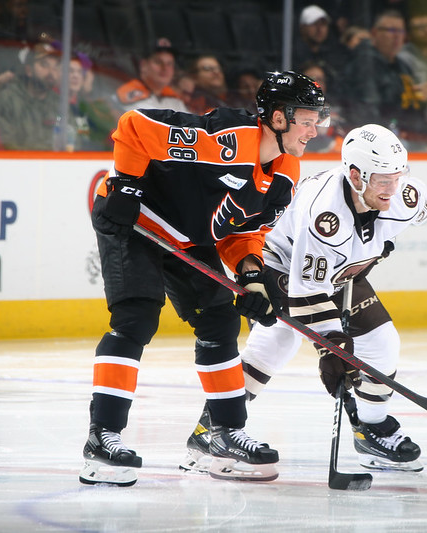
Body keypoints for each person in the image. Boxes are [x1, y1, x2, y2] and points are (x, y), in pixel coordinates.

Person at [79, 71, 329, 486]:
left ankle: (224, 433)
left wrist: (251, 275)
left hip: (188, 237)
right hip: (136, 220)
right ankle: (102, 438)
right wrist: (124, 184)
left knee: (220, 320)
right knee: (136, 318)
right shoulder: (227, 139)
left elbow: (243, 231)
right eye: (307, 119)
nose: (314, 130)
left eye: (317, 119)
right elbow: (135, 126)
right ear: (279, 118)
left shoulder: (286, 171)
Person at [181, 123, 427, 473]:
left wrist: (377, 245)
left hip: (338, 270)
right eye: (383, 180)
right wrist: (331, 346)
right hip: (280, 262)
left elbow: (407, 214)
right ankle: (211, 431)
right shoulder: (325, 216)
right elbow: (306, 291)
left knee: (382, 339)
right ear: (356, 176)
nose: (393, 188)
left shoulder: (403, 195)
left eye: (397, 176)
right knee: (278, 337)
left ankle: (371, 429)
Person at [341, 9, 427, 134]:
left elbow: (412, 109)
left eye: (401, 31)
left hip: (406, 136)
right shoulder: (365, 64)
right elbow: (367, 112)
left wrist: (422, 102)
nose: (397, 36)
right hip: (377, 136)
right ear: (374, 33)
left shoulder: (403, 67)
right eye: (391, 30)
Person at [0, 40, 60, 150]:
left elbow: (72, 143)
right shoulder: (8, 99)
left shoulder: (59, 103)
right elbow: (7, 145)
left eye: (55, 67)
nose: (51, 72)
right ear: (29, 70)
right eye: (44, 65)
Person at [114, 38, 188, 114]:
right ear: (143, 65)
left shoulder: (173, 98)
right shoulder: (129, 93)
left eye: (169, 64)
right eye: (158, 62)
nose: (165, 68)